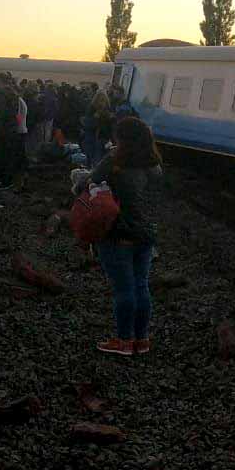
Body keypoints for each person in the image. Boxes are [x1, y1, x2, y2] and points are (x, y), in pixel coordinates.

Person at [74, 116, 163, 356]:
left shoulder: (114, 162)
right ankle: (141, 340)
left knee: (123, 289)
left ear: (122, 138)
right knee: (141, 286)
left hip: (117, 234)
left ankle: (123, 341)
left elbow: (86, 183)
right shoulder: (154, 165)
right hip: (146, 234)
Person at [80, 91, 113, 166]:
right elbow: (87, 124)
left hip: (102, 139)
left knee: (98, 161)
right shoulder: (91, 110)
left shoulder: (109, 111)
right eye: (100, 100)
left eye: (103, 100)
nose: (101, 103)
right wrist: (95, 118)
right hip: (91, 138)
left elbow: (110, 127)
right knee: (90, 159)